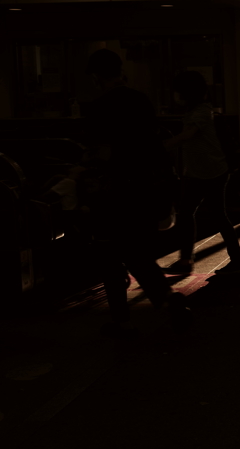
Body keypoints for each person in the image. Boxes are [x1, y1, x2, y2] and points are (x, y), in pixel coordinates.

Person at [79, 49, 190, 337]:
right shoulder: (141, 101)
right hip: (145, 189)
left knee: (110, 255)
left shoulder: (98, 108)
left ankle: (122, 320)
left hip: (113, 193)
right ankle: (166, 298)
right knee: (137, 252)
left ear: (95, 76)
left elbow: (100, 154)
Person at [163, 71, 240, 275]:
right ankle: (188, 260)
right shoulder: (197, 111)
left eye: (177, 92)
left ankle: (233, 260)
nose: (174, 96)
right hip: (200, 172)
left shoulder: (201, 112)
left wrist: (162, 146)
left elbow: (188, 135)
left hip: (210, 173)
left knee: (212, 216)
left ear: (186, 93)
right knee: (196, 214)